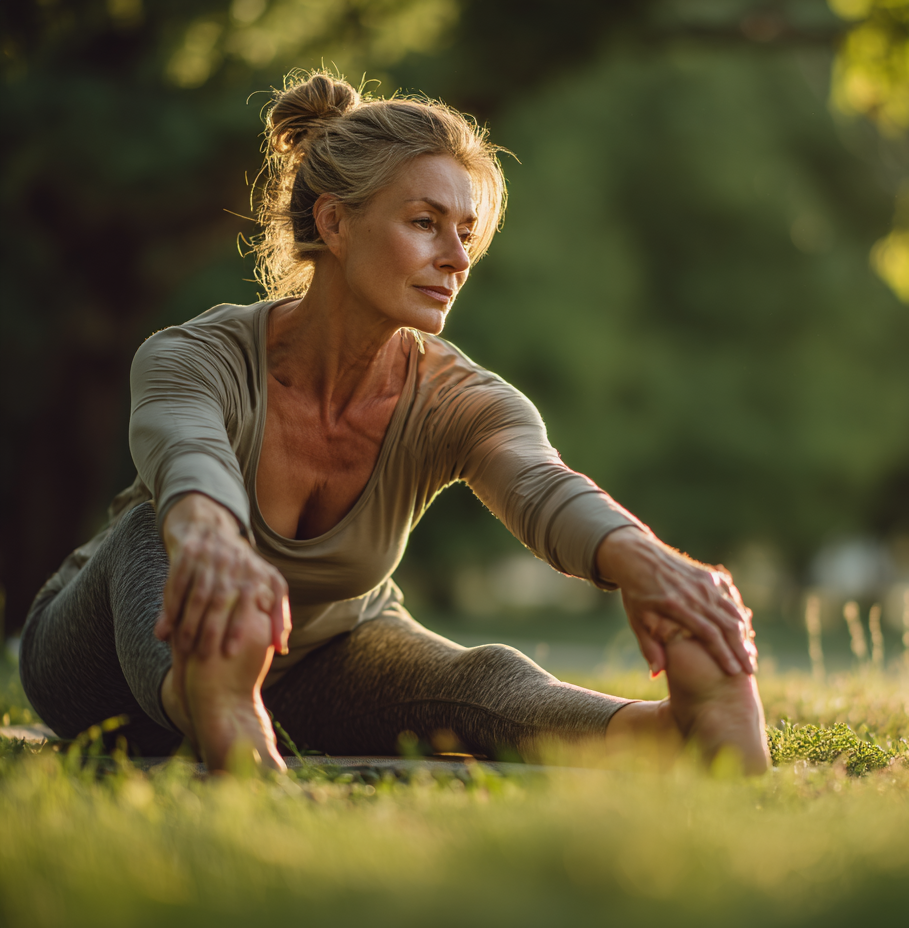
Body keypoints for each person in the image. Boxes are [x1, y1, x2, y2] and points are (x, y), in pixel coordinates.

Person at [19, 72, 769, 775]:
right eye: (425, 223)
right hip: (105, 660)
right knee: (157, 532)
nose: (456, 258)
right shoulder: (192, 356)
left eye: (466, 234)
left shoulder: (461, 398)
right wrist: (212, 536)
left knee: (482, 680)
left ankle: (671, 729)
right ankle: (211, 696)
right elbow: (188, 458)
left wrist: (649, 563)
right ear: (335, 223)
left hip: (317, 662)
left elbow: (541, 485)